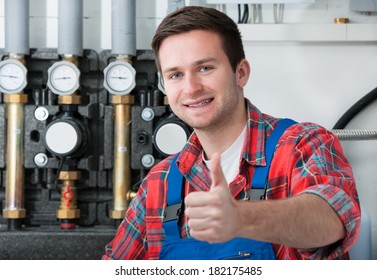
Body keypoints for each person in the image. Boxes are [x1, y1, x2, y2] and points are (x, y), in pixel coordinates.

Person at [102, 6, 360, 260]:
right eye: (176, 75)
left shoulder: (302, 145)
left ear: (241, 73)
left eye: (205, 68)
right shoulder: (159, 184)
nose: (191, 88)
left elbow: (335, 218)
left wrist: (242, 217)